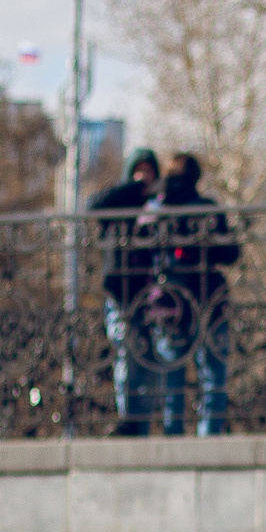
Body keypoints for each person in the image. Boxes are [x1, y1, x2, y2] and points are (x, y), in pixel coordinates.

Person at [147, 152, 242, 437]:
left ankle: (171, 433)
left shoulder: (154, 208)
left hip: (168, 300)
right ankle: (209, 434)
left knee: (171, 370)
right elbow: (230, 252)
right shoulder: (207, 208)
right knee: (212, 371)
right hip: (208, 297)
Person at [90, 149, 164, 434]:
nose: (143, 176)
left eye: (149, 171)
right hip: (120, 291)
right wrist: (132, 189)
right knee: (125, 352)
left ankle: (140, 424)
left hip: (154, 292)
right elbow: (93, 206)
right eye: (138, 170)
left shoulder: (158, 205)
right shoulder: (119, 201)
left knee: (150, 361)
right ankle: (128, 420)